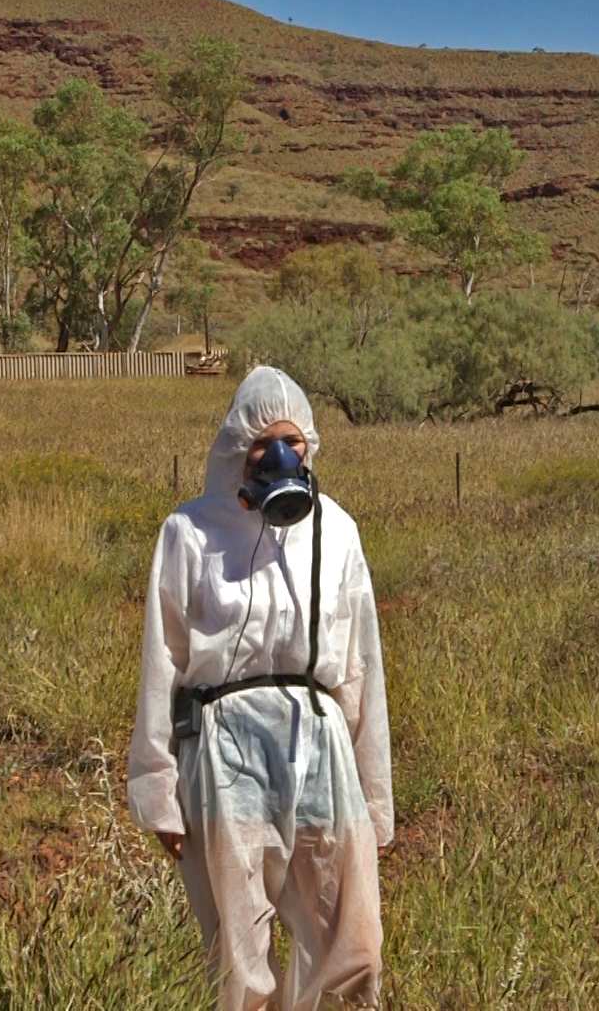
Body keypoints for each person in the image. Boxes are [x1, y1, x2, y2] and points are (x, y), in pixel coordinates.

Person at [129, 366, 393, 1010]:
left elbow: (361, 663)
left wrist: (374, 797)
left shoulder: (336, 530)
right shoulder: (189, 531)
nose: (278, 456)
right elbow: (164, 659)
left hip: (320, 740)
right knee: (239, 948)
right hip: (224, 746)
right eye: (261, 443)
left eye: (292, 442)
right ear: (234, 448)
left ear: (310, 447)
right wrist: (159, 790)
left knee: (352, 939)